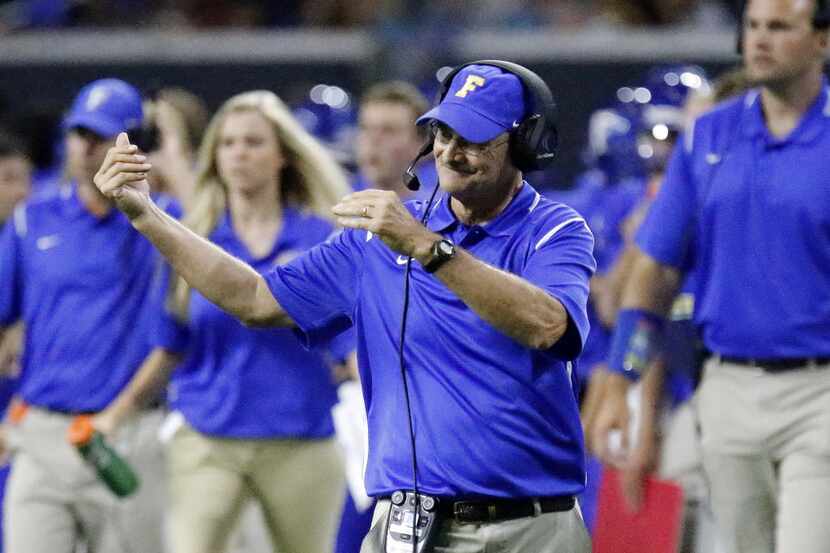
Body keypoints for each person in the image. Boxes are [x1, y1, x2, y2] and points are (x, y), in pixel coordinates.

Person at [95, 60, 595, 552]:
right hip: (411, 527)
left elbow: (549, 324)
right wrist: (147, 216)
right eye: (443, 134)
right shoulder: (376, 241)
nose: (451, 152)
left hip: (529, 528)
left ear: (527, 145)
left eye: (475, 140)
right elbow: (252, 298)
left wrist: (428, 248)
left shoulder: (553, 229)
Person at [592, 1, 830, 552]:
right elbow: (656, 272)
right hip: (725, 387)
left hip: (821, 389)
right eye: (753, 27)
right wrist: (620, 378)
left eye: (780, 27)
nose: (761, 39)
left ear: (821, 41)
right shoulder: (709, 137)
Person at [93, 90, 350, 553]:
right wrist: (118, 413)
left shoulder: (319, 238)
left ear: (283, 158)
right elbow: (170, 342)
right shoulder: (190, 239)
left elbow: (351, 347)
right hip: (207, 437)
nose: (238, 153)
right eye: (228, 143)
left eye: (253, 142)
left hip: (301, 439)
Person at [0, 78, 169, 553]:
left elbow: (179, 335)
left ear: (137, 143)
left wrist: (158, 175)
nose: (87, 147)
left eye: (102, 137)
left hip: (129, 434)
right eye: (80, 134)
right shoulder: (31, 220)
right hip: (43, 433)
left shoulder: (166, 222)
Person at [332, 79, 433, 553]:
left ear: (420, 142)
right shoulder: (334, 205)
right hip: (343, 401)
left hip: (412, 402)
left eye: (389, 129)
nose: (372, 141)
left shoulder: (437, 217)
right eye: (367, 128)